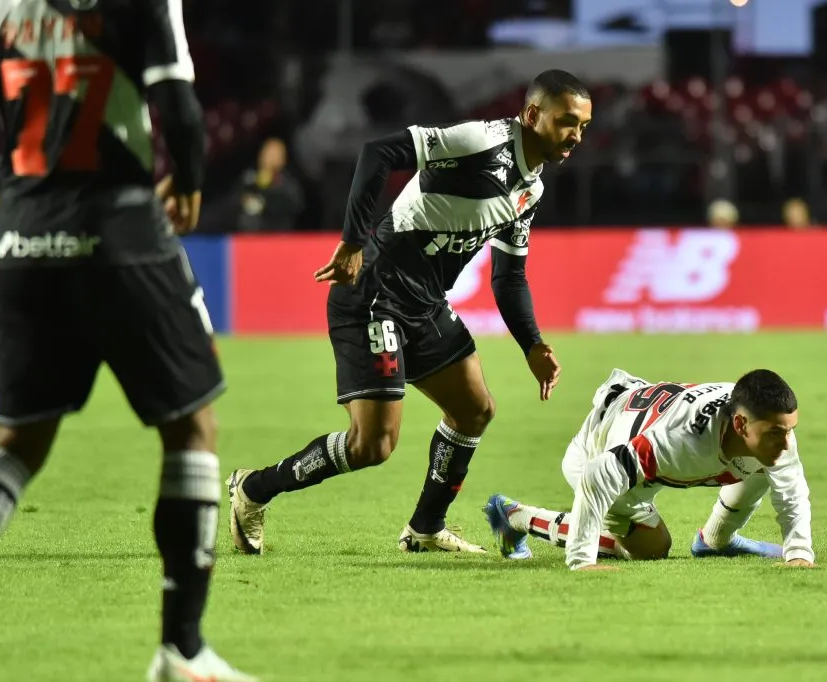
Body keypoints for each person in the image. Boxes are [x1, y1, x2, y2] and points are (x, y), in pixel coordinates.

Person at [0, 2, 253, 680]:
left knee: (19, 440)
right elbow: (179, 109)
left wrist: (12, 194)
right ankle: (182, 650)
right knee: (192, 428)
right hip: (120, 235)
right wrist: (189, 179)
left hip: (21, 241)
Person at [225, 69, 591, 556]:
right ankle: (254, 489)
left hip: (425, 303)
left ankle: (424, 528)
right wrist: (353, 241)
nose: (576, 135)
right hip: (374, 292)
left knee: (474, 409)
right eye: (567, 121)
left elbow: (509, 277)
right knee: (372, 446)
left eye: (583, 125)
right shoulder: (477, 141)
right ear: (531, 114)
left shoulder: (531, 189)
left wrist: (533, 345)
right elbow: (379, 152)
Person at [483, 368, 815, 571]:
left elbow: (791, 490)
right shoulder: (680, 442)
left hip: (644, 410)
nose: (787, 442)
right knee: (653, 549)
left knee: (767, 462)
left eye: (790, 429)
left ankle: (716, 540)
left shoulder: (768, 425)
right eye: (777, 432)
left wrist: (798, 553)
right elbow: (598, 474)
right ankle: (514, 517)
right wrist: (582, 561)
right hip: (600, 448)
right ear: (740, 424)